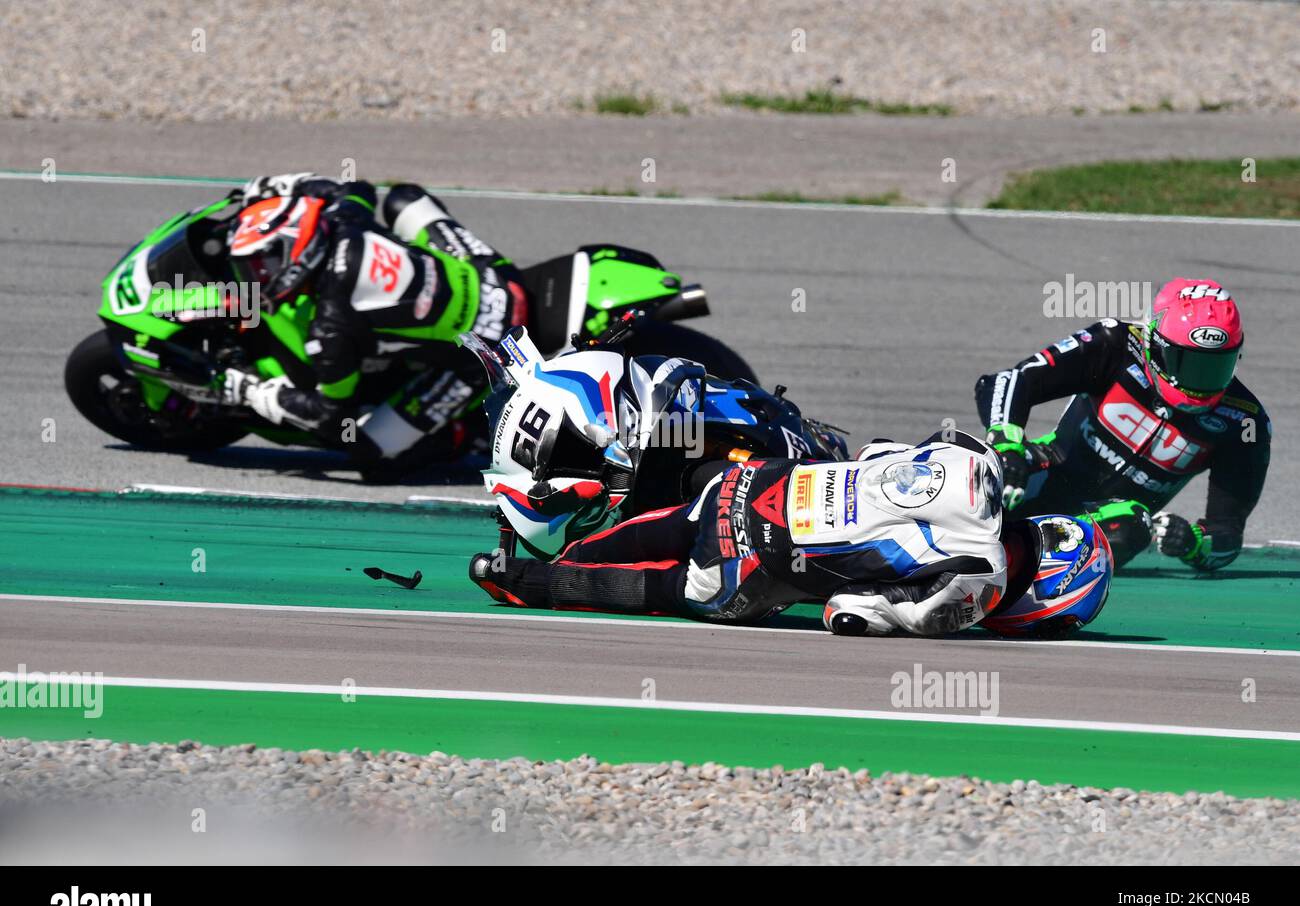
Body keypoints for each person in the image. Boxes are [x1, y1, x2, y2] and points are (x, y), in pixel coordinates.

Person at [469, 430, 1113, 637]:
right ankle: (522, 581)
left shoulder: (975, 458)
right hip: (755, 567)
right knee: (660, 589)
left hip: (756, 484)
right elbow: (850, 614)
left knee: (657, 528)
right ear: (1051, 592)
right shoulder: (981, 582)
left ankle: (543, 533)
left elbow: (879, 451)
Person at [217, 173, 527, 473]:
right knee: (404, 197)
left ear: (298, 251)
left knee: (372, 450)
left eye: (264, 265)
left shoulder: (331, 327)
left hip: (488, 349)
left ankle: (472, 433)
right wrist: (280, 184)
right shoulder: (343, 220)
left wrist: (253, 393)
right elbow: (356, 187)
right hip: (490, 275)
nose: (257, 276)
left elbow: (331, 413)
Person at [974, 278, 1270, 570]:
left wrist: (1193, 544)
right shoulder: (1114, 343)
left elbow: (1227, 534)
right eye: (1187, 363)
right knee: (975, 463)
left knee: (1133, 524)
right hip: (1045, 475)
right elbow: (1006, 381)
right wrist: (1006, 444)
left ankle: (1040, 570)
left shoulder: (1244, 421)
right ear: (1154, 344)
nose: (1200, 383)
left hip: (1108, 523)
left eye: (1216, 367)